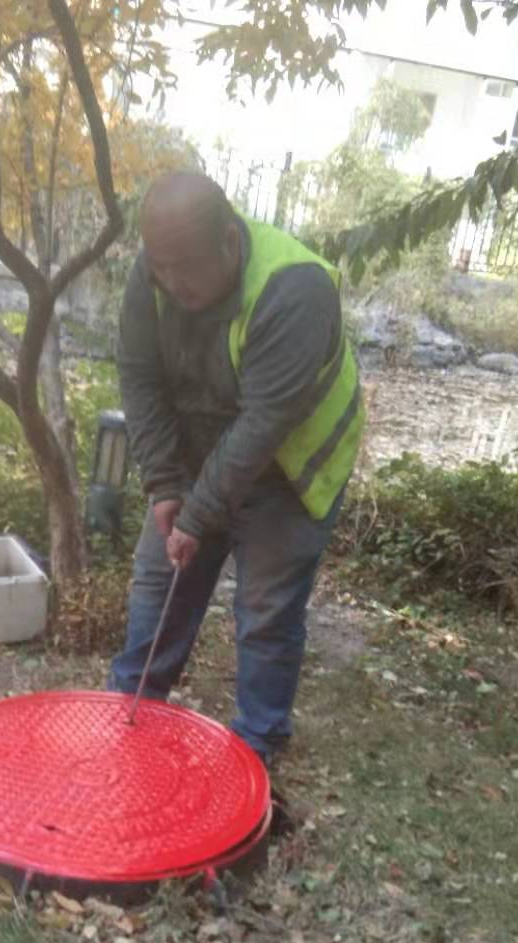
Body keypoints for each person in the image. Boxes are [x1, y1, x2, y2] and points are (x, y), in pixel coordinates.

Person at [108, 172, 365, 781]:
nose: (173, 285)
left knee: (265, 608)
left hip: (288, 465)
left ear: (228, 241)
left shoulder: (294, 288)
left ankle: (257, 745)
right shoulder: (156, 272)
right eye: (162, 270)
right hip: (201, 453)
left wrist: (197, 516)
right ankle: (129, 710)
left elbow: (263, 424)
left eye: (186, 271)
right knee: (160, 581)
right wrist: (164, 485)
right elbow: (139, 378)